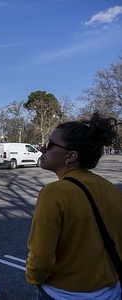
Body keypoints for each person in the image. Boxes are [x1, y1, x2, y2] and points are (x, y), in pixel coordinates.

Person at [26, 111, 122, 299]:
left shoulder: (53, 193)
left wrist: (33, 277)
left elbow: (41, 262)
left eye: (50, 144)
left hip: (63, 294)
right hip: (112, 292)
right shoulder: (112, 190)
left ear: (70, 156)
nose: (42, 149)